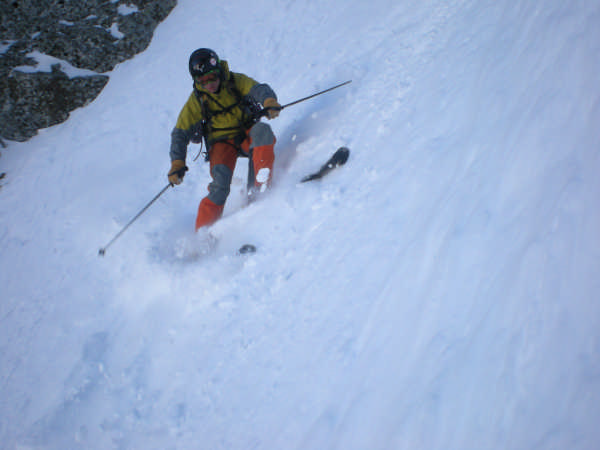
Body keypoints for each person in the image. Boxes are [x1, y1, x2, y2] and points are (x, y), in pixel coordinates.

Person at [168, 48, 281, 231]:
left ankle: (259, 192)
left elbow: (259, 89)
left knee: (263, 132)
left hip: (245, 132)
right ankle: (202, 234)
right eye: (203, 81)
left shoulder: (235, 81)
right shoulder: (197, 100)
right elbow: (180, 133)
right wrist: (177, 163)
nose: (209, 84)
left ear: (219, 71)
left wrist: (268, 101)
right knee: (220, 185)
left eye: (212, 77)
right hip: (221, 143)